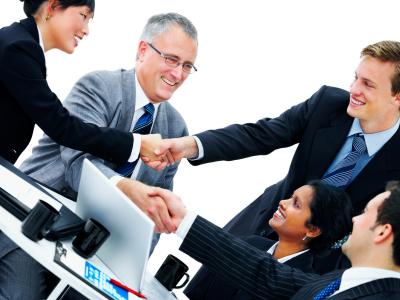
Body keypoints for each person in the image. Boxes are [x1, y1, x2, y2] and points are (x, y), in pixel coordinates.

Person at [143, 40, 400, 277]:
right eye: (356, 77)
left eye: (368, 84)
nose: (353, 89)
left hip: (319, 268)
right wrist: (190, 146)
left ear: (397, 97)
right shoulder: (328, 104)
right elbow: (260, 135)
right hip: (263, 224)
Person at [2, 12, 198, 300]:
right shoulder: (99, 87)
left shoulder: (176, 127)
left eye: (187, 66)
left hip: (93, 252)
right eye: (171, 59)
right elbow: (77, 165)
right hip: (35, 220)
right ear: (143, 50)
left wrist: (131, 269)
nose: (178, 74)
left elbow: (152, 218)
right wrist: (128, 189)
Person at [152, 181, 400, 300]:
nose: (355, 220)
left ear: (382, 232)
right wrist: (182, 220)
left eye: (366, 213)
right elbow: (263, 272)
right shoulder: (335, 282)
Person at [0, 0, 147, 167]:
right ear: (53, 6)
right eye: (83, 15)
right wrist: (137, 144)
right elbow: (60, 125)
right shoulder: (18, 48)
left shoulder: (17, 41)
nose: (86, 30)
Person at [184, 181, 354, 300]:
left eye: (296, 204)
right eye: (290, 196)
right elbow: (192, 292)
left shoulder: (304, 289)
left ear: (313, 230)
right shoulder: (248, 243)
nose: (282, 202)